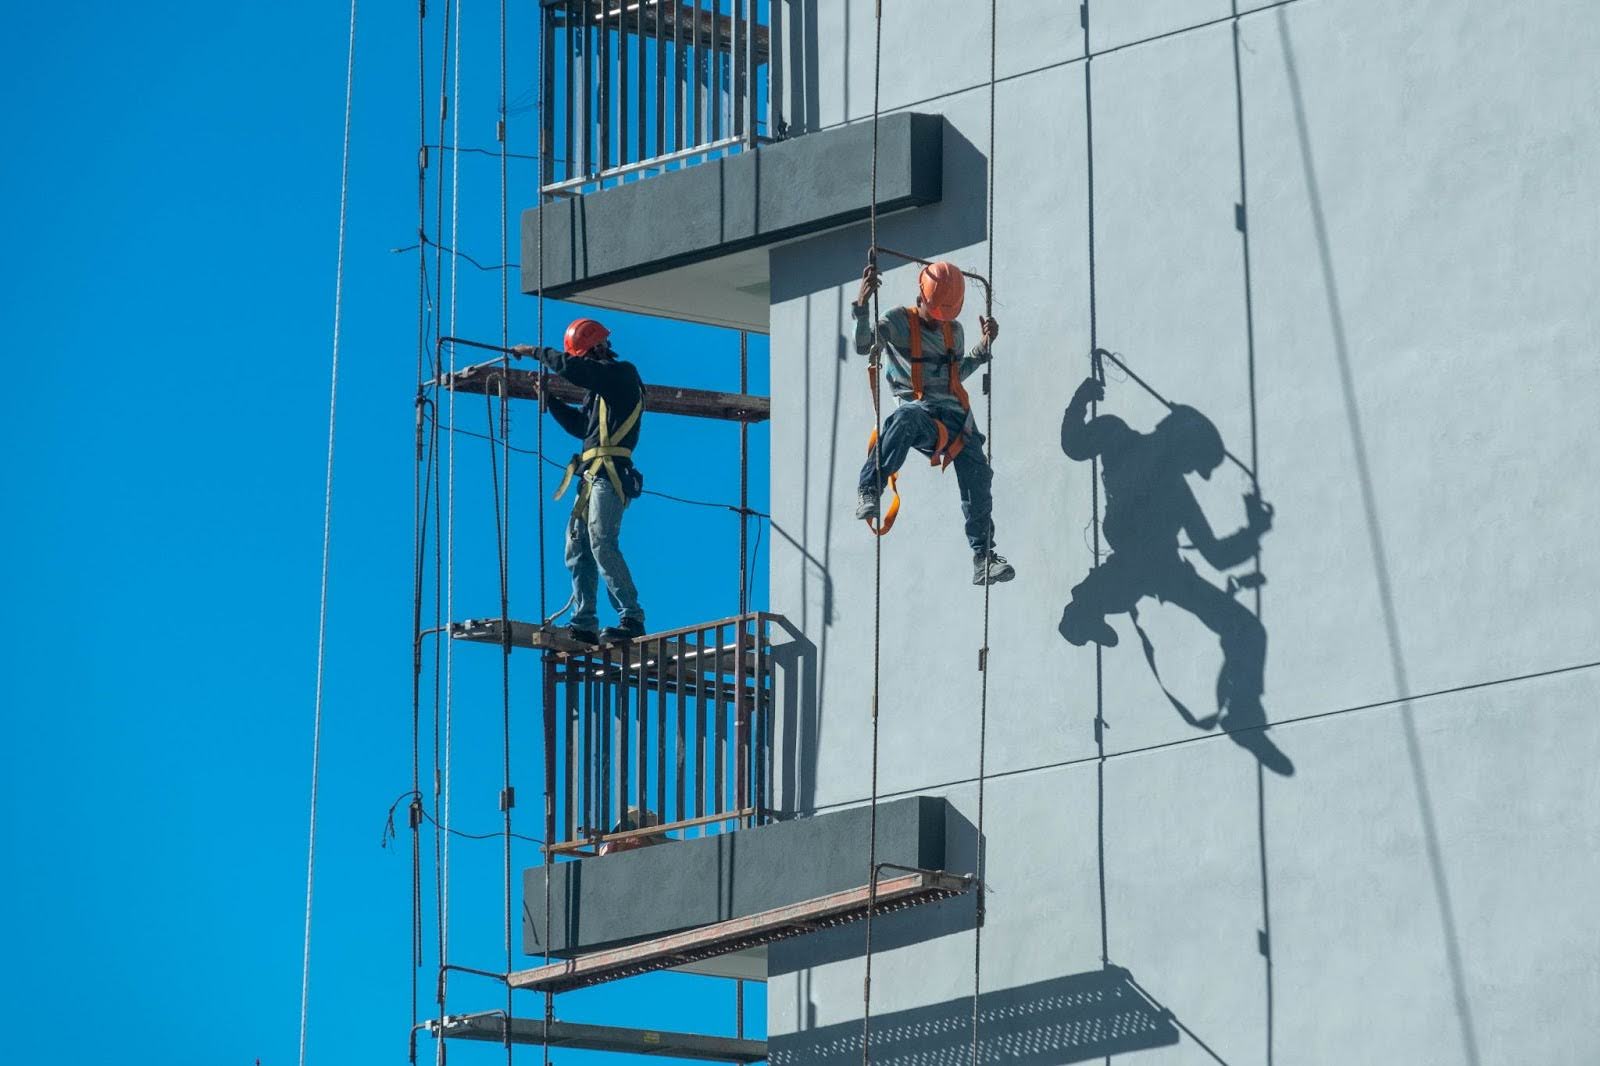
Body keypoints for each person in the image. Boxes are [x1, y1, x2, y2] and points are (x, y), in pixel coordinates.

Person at [1059, 375, 1292, 775]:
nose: (1188, 468)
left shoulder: (1122, 440)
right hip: (1153, 568)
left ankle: (1085, 611)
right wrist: (1254, 532)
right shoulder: (1168, 482)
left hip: (1149, 568)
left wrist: (1081, 399)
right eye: (1192, 461)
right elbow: (1217, 555)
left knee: (1239, 626)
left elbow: (1073, 444)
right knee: (1246, 630)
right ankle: (1084, 612)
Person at [852, 261, 1014, 585]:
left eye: (947, 315)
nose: (940, 320)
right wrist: (862, 308)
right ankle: (870, 488)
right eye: (936, 313)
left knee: (979, 476)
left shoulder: (953, 329)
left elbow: (954, 374)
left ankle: (983, 557)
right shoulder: (898, 322)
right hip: (922, 412)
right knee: (905, 418)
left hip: (957, 419)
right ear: (921, 298)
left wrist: (982, 349)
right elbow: (862, 345)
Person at [512, 318, 646, 645]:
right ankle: (584, 622)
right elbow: (580, 427)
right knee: (577, 547)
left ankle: (631, 616)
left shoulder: (621, 376)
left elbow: (578, 370)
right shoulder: (600, 393)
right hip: (591, 475)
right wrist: (550, 399)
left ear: (597, 350)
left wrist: (535, 352)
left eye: (584, 356)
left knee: (601, 541)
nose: (582, 363)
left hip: (609, 473)